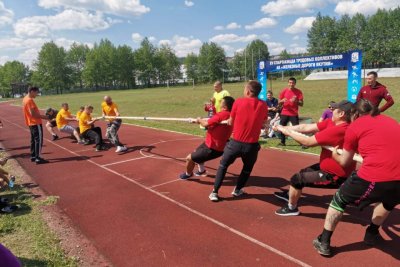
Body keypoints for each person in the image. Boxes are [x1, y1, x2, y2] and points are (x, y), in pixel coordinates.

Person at [312, 99, 400, 256]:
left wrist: (334, 154)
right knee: (388, 201)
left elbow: (345, 162)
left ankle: (324, 240)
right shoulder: (391, 121)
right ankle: (372, 233)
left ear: (355, 114)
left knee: (339, 200)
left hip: (375, 175)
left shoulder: (355, 126)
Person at [274, 100, 356, 216]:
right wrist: (284, 127)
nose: (331, 111)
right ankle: (290, 195)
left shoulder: (340, 130)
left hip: (335, 175)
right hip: (327, 166)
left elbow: (308, 142)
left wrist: (288, 132)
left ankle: (292, 208)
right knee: (303, 172)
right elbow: (305, 127)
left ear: (341, 114)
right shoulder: (331, 123)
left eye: (334, 110)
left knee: (296, 179)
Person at [209, 81, 268, 202]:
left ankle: (214, 192)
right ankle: (237, 190)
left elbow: (230, 121)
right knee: (247, 169)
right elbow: (263, 123)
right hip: (251, 147)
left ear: (247, 91)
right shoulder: (263, 105)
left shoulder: (238, 102)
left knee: (223, 166)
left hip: (235, 144)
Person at [179, 96, 235, 179]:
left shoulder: (222, 114)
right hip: (211, 144)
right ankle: (202, 171)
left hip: (212, 148)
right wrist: (196, 121)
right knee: (199, 156)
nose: (219, 104)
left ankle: (188, 174)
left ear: (225, 107)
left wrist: (199, 119)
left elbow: (205, 124)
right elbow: (211, 124)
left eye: (221, 103)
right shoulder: (231, 115)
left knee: (189, 158)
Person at [22, 86, 49, 164]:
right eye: (36, 92)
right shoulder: (29, 100)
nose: (37, 94)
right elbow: (33, 114)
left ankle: (33, 156)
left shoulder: (25, 98)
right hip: (35, 122)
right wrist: (45, 117)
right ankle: (38, 157)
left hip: (30, 122)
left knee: (33, 140)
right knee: (38, 140)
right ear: (32, 91)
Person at [278, 77, 303, 146]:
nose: (291, 84)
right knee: (282, 128)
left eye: (293, 83)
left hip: (293, 113)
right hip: (284, 112)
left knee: (297, 129)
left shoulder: (298, 92)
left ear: (295, 84)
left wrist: (296, 101)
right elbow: (279, 104)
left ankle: (302, 143)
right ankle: (282, 142)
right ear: (288, 83)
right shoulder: (284, 91)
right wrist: (282, 101)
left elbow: (302, 104)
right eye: (290, 83)